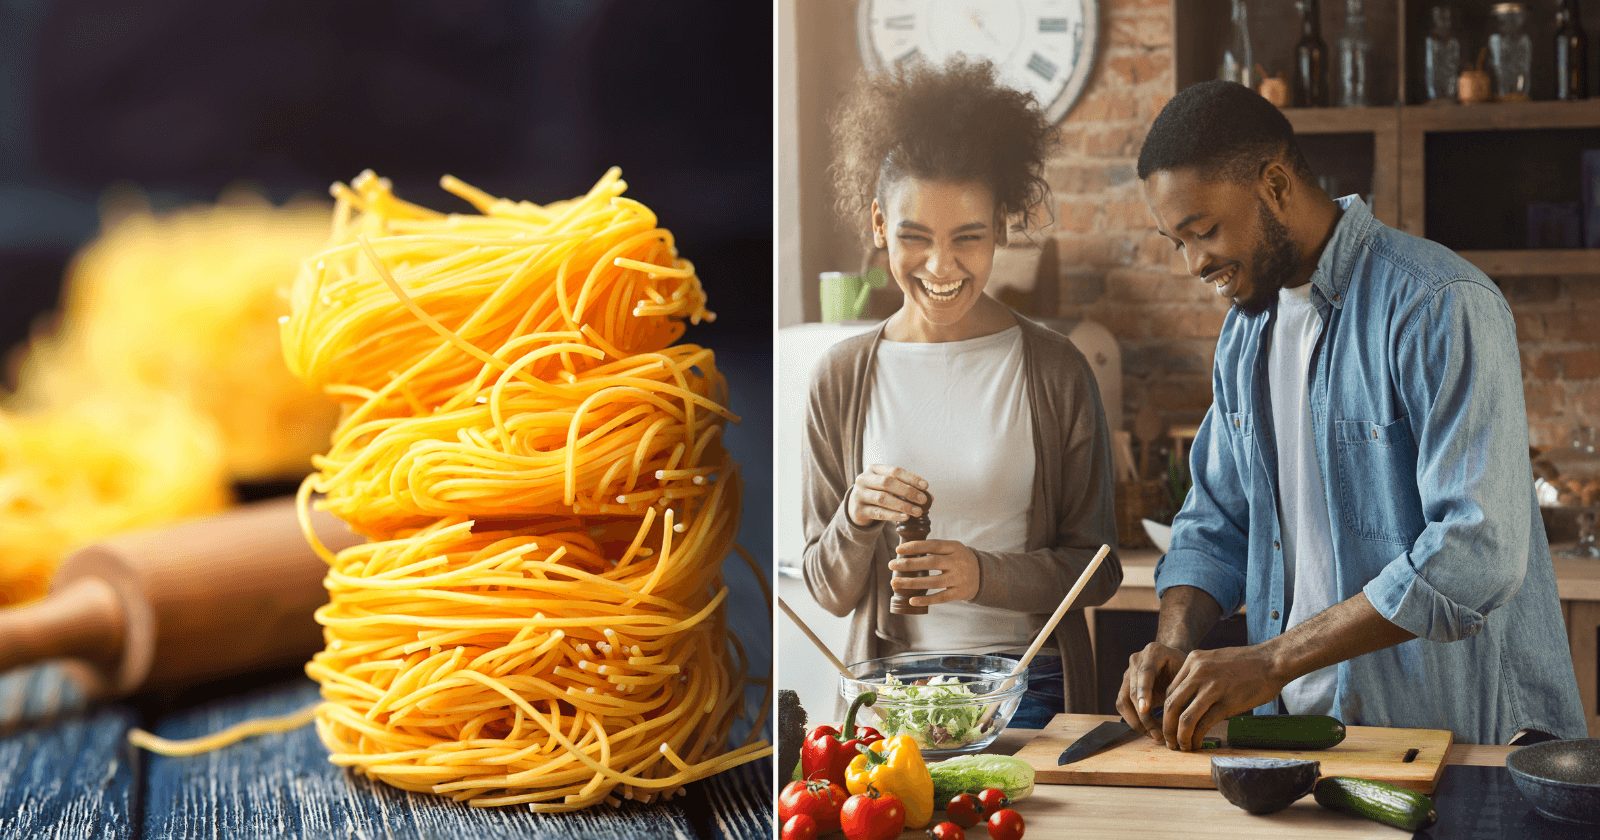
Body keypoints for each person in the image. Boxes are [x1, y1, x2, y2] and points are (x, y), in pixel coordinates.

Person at [1117, 80, 1584, 749]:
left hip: (1455, 740)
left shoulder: (1438, 304)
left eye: (1206, 231)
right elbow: (1214, 519)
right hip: (1298, 738)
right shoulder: (1246, 333)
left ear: (1276, 185)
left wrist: (1273, 661)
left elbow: (1477, 551)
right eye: (1175, 242)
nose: (1195, 264)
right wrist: (1172, 640)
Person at [802, 58, 1122, 727]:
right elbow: (827, 590)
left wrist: (982, 575)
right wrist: (855, 519)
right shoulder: (839, 377)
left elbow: (1099, 569)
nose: (941, 267)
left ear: (1001, 227)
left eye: (968, 239)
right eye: (915, 237)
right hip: (888, 696)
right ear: (879, 224)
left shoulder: (1058, 370)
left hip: (1028, 688)